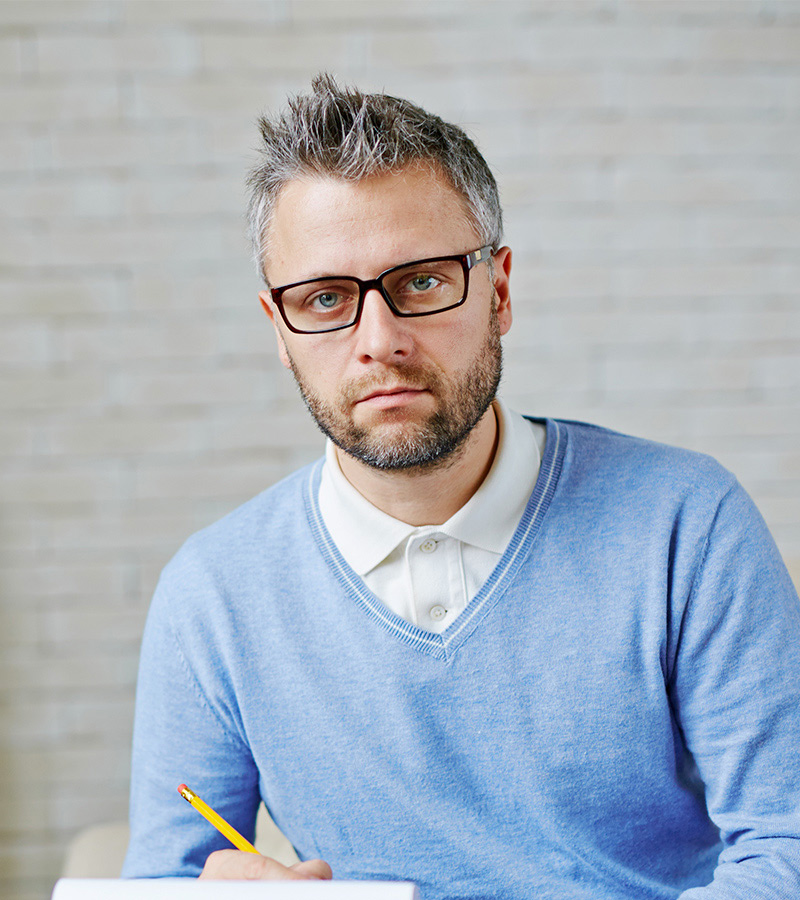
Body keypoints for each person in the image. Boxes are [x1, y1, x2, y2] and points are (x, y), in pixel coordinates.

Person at [122, 75, 800, 898]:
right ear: (280, 330)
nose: (379, 341)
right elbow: (164, 878)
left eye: (422, 281)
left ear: (499, 292)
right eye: (326, 299)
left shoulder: (687, 523)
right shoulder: (211, 594)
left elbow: (787, 846)